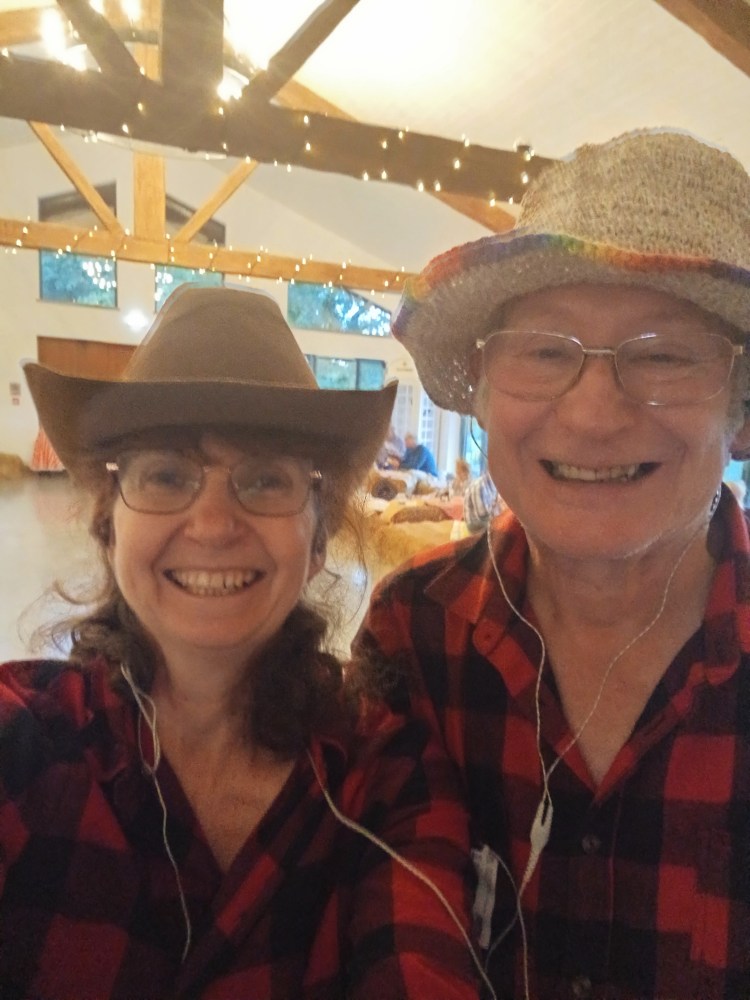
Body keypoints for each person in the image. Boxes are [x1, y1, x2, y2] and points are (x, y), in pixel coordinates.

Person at [353, 129, 750, 999]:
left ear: (741, 410)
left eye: (662, 354)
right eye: (543, 349)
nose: (596, 413)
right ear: (487, 387)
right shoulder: (414, 631)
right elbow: (392, 925)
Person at [1, 285, 483, 998]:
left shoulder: (385, 775)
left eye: (264, 479)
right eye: (166, 475)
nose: (215, 522)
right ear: (109, 526)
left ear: (317, 540)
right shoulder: (22, 742)